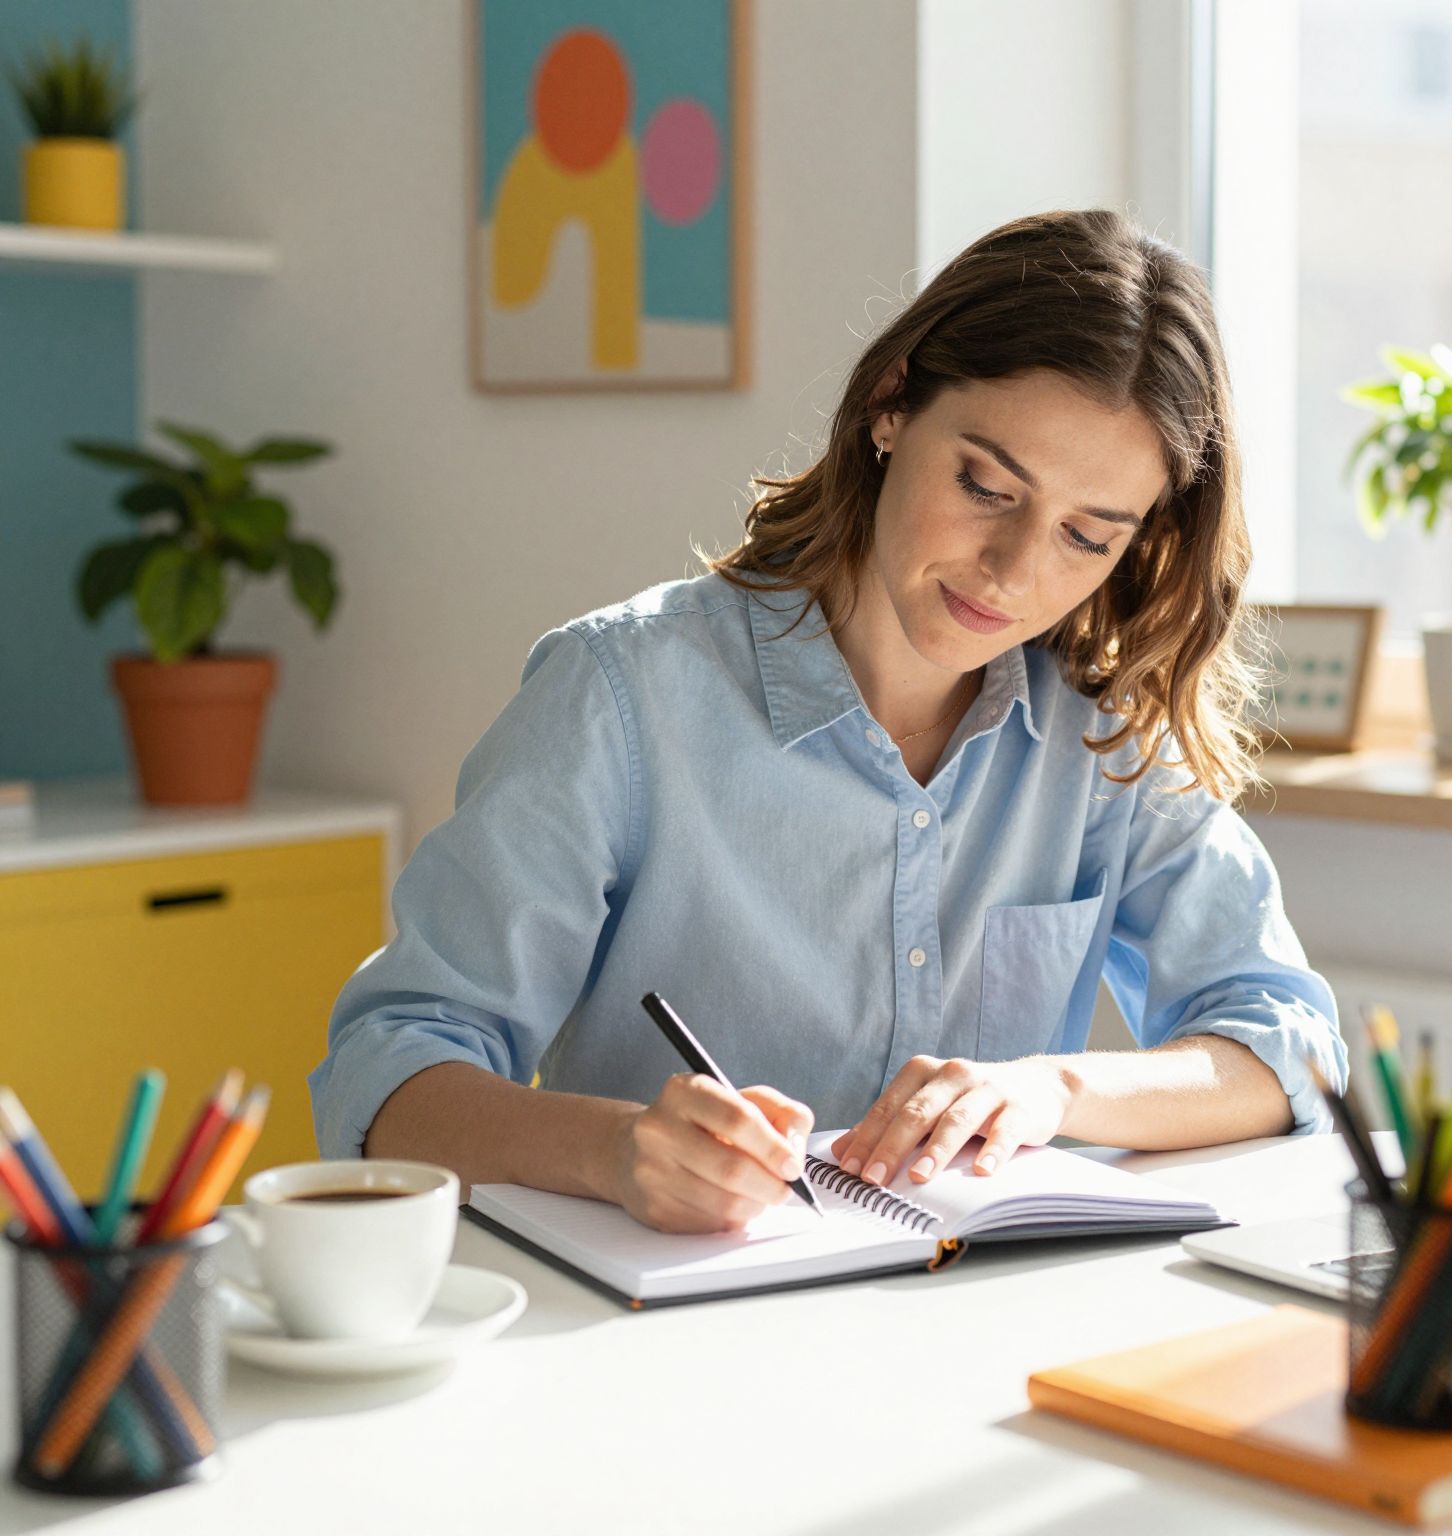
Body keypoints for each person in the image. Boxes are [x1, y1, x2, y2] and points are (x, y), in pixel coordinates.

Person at [310, 208, 1345, 1235]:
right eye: (986, 486)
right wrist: (615, 1151)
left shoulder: (1098, 741)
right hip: (667, 1333)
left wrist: (1052, 1090)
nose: (1015, 571)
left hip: (964, 1329)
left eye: (1086, 536)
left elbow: (1287, 1041)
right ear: (891, 407)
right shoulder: (621, 694)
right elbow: (387, 1067)